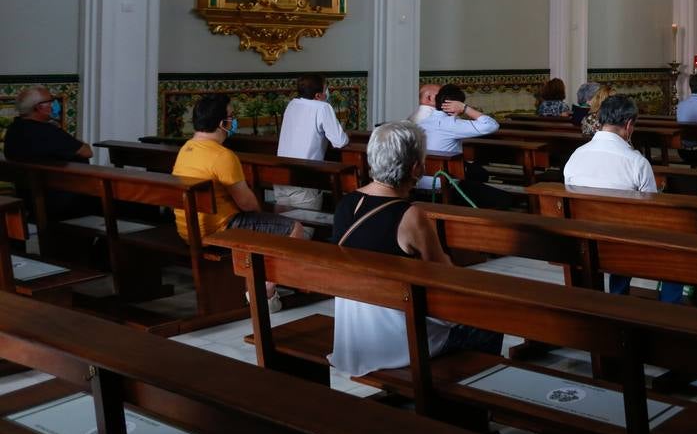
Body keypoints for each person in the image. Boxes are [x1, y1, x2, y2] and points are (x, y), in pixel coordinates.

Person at [328, 121, 502, 377]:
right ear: (416, 169)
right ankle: (468, 396)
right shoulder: (411, 216)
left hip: (354, 336)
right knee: (491, 318)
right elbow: (445, 277)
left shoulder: (347, 203)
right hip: (398, 343)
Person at [172, 94, 305, 312]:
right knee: (294, 229)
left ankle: (255, 283)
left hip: (187, 228)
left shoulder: (186, 149)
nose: (234, 121)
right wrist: (265, 214)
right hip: (217, 229)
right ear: (221, 123)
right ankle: (265, 293)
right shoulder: (222, 156)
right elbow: (246, 204)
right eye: (231, 116)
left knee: (267, 223)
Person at [563, 94, 683, 302]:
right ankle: (669, 313)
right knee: (680, 254)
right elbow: (651, 211)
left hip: (582, 241)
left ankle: (617, 297)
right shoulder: (636, 162)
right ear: (628, 125)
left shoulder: (576, 156)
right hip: (622, 243)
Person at [4, 86, 95, 219]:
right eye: (51, 101)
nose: (54, 105)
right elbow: (87, 152)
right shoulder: (47, 132)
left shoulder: (15, 129)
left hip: (30, 197)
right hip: (64, 199)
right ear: (39, 107)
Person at [275, 74, 350, 211]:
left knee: (283, 230)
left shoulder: (292, 104)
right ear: (318, 95)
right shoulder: (322, 107)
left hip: (281, 177)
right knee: (303, 231)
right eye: (326, 88)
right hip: (304, 179)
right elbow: (340, 141)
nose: (327, 92)